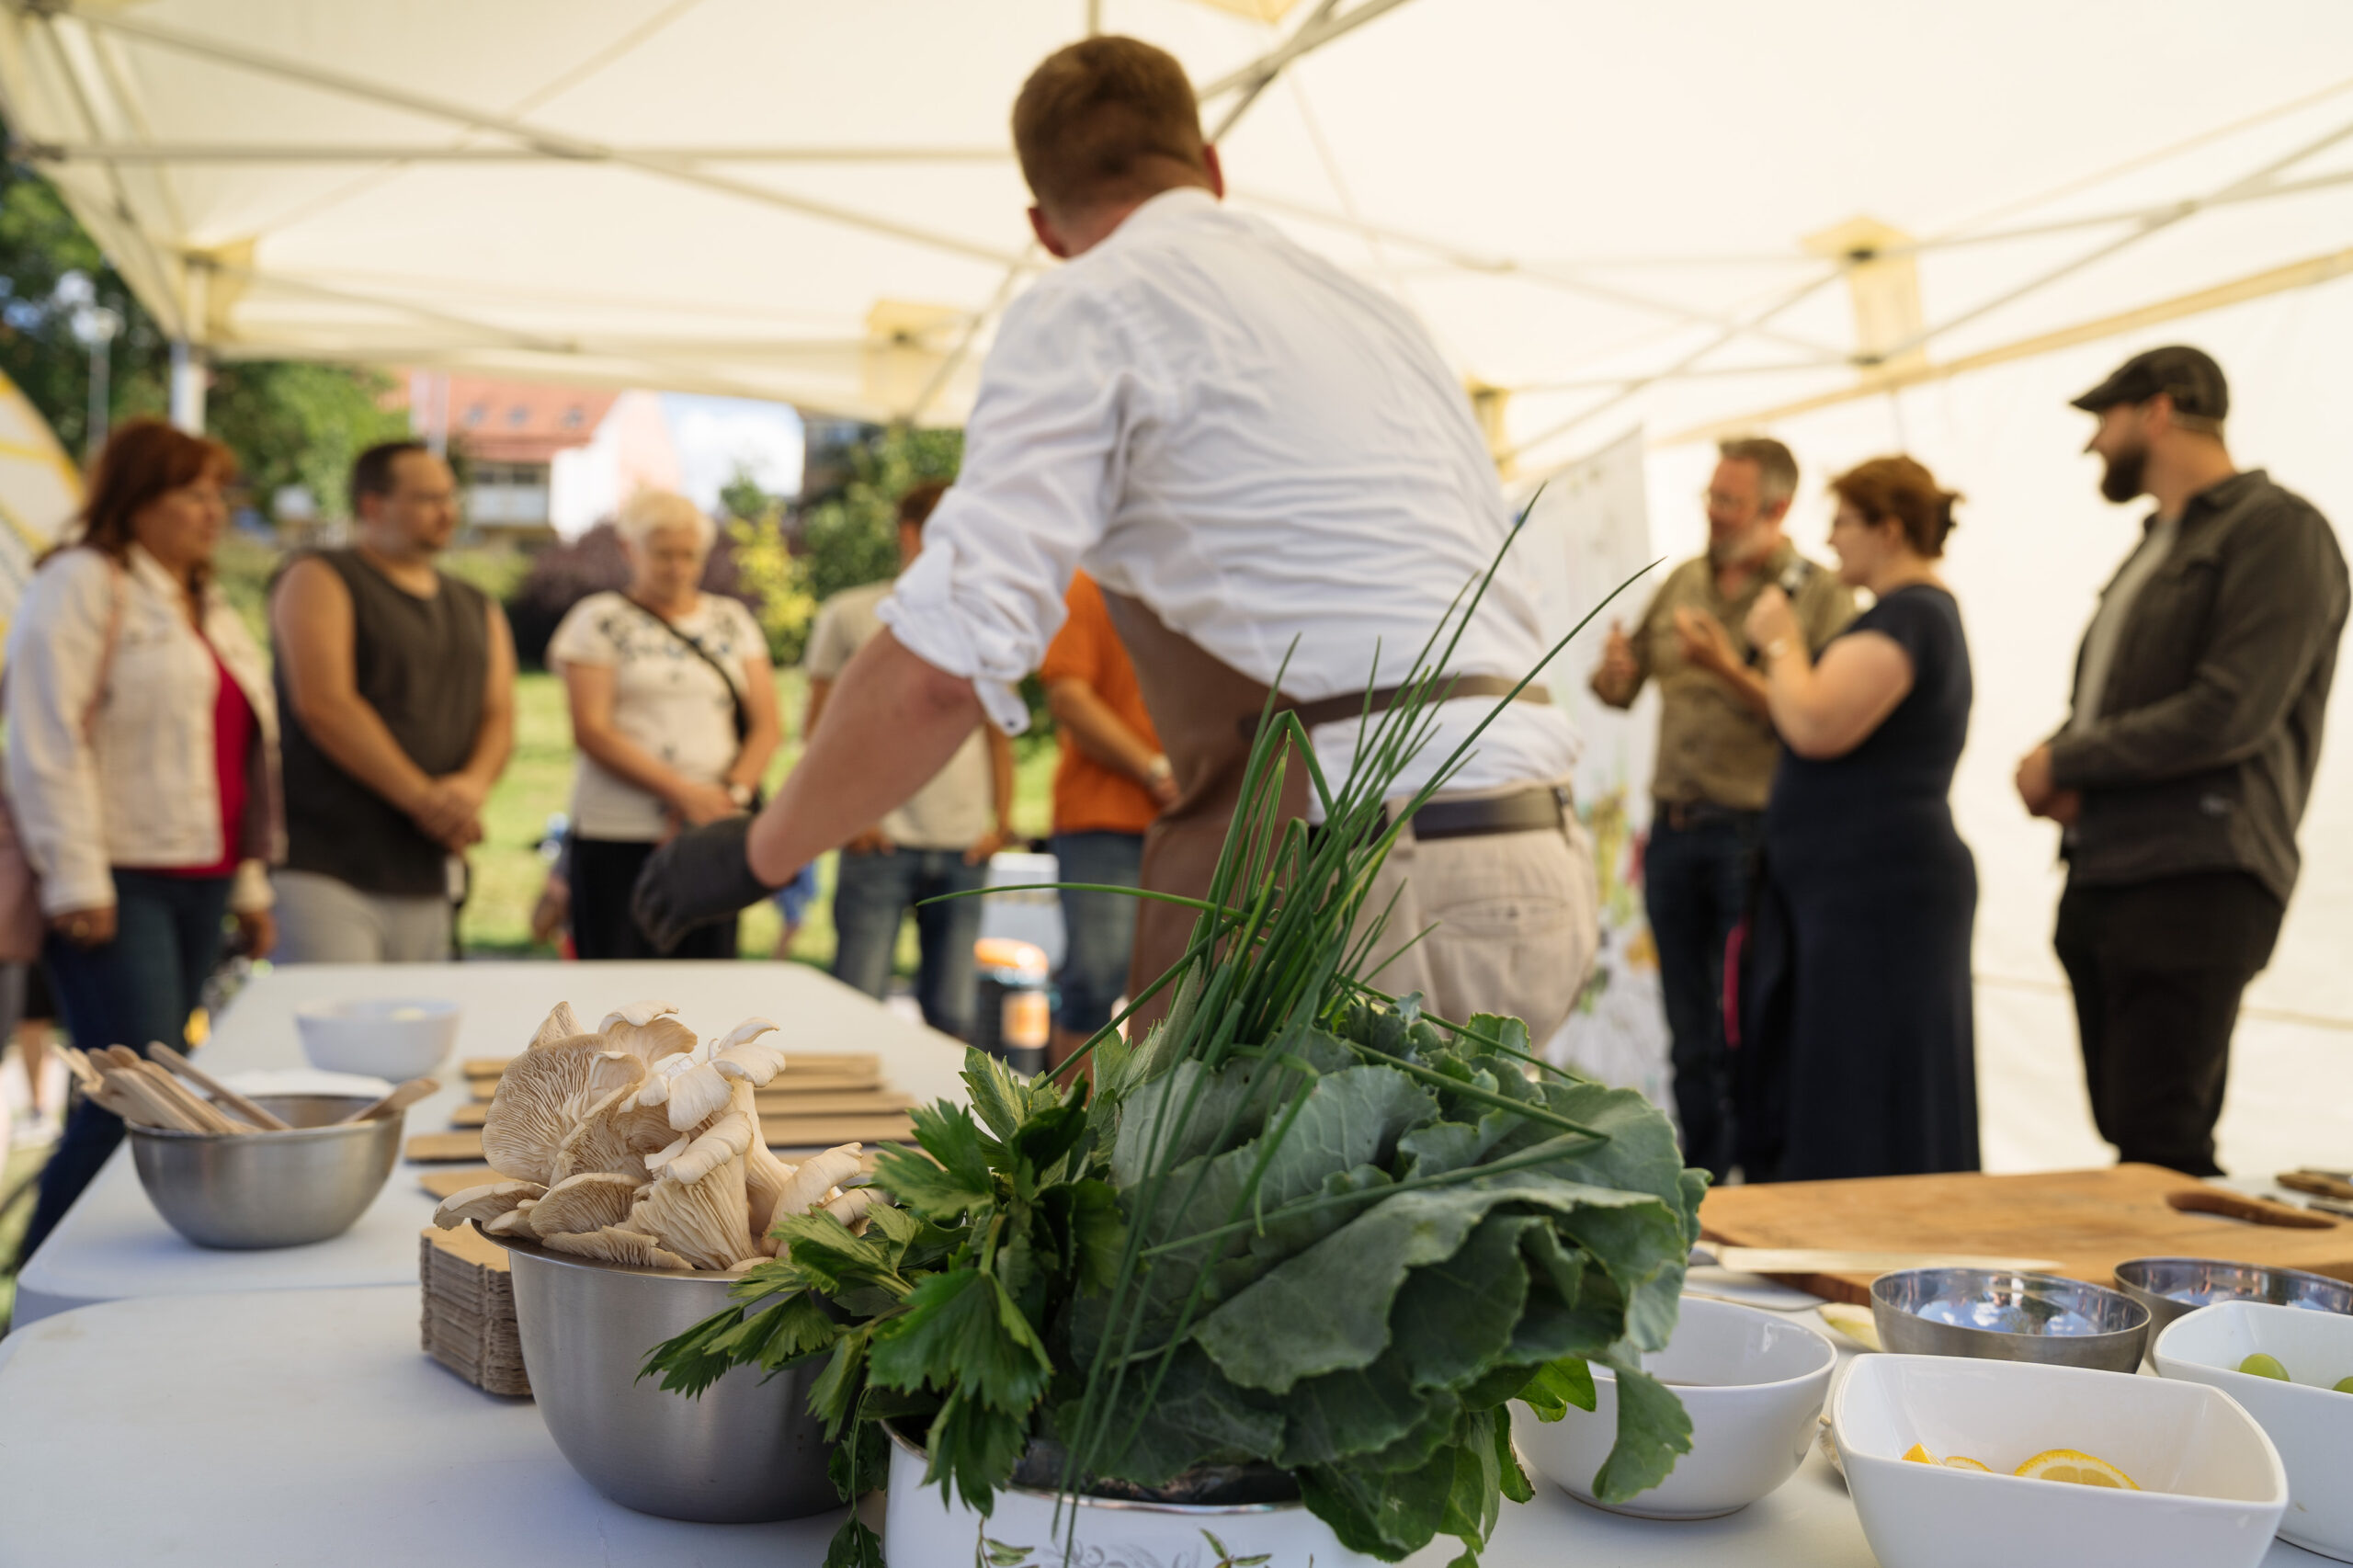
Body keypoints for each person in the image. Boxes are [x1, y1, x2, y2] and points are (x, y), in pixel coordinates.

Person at [635, 35, 1601, 1045]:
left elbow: (943, 666)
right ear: (1210, 167)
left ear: (1042, 229)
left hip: (1353, 876)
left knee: (1224, 1161)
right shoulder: (1378, 314)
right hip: (1534, 850)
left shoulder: (1089, 305)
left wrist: (760, 850)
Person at [2015, 347, 2348, 1176]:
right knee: (2138, 1138)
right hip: (2112, 870)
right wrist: (2068, 767)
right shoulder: (2157, 543)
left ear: (2158, 411)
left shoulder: (2277, 529)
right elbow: (2129, 701)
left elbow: (2231, 710)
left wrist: (2067, 758)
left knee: (2162, 1148)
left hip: (2197, 874)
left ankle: (2185, 1271)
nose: (2094, 442)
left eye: (2105, 418)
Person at [6, 419, 280, 1261]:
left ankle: (124, 1271)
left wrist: (249, 886)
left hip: (202, 873)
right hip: (117, 878)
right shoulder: (82, 581)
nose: (214, 511)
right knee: (137, 1097)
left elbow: (237, 756)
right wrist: (76, 882)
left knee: (164, 1092)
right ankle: (44, 1287)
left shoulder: (205, 601)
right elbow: (44, 740)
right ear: (136, 501)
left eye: (219, 494)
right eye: (192, 493)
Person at [1589, 436, 1853, 1178]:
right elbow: (1619, 689)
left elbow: (1820, 721)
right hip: (1673, 832)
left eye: (1730, 501)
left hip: (1755, 838)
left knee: (1753, 1025)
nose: (1714, 512)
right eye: (1710, 496)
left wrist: (1724, 667)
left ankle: (1764, 1183)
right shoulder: (1682, 581)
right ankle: (1703, 1183)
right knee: (1689, 1033)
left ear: (1777, 508)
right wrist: (1613, 671)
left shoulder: (1817, 596)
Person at [1736, 457, 1977, 1182]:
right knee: (1848, 1072)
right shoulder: (1908, 615)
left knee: (1870, 1082)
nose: (1831, 538)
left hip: (1880, 899)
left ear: (1889, 530)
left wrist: (1782, 641)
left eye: (1843, 521)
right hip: (1855, 895)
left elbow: (1816, 722)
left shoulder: (1911, 615)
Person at [269, 441, 517, 962]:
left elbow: (499, 716)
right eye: (428, 498)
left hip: (428, 867)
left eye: (450, 497)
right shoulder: (320, 576)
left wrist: (470, 787)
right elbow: (326, 705)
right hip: (328, 863)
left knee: (419, 1016)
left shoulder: (477, 605)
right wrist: (427, 802)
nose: (447, 512)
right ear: (373, 505)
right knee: (340, 1013)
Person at [802, 482, 1015, 1039]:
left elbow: (999, 732)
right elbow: (818, 731)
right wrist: (849, 818)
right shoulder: (851, 614)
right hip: (879, 841)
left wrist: (1002, 824)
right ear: (910, 533)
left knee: (954, 1015)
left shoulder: (986, 622)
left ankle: (938, 1103)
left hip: (963, 843)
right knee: (857, 1006)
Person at [547, 489, 779, 960]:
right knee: (616, 970)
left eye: (688, 555)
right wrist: (682, 794)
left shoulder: (731, 620)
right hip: (620, 829)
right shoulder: (598, 619)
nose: (677, 568)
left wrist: (728, 797)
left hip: (710, 827)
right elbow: (592, 729)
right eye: (663, 554)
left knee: (707, 972)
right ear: (630, 549)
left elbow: (767, 725)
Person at [1040, 568, 1176, 1066]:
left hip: (1198, 819)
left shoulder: (1213, 581)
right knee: (1094, 982)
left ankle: (1150, 1114)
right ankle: (1072, 1118)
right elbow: (1068, 697)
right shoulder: (1092, 584)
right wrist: (1157, 771)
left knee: (1179, 992)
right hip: (1104, 819)